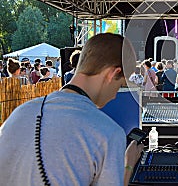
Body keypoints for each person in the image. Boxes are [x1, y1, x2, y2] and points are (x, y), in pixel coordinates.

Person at [0, 33, 143, 186]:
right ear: (113, 73)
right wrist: (128, 165)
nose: (115, 95)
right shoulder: (108, 133)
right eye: (120, 85)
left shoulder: (19, 113)